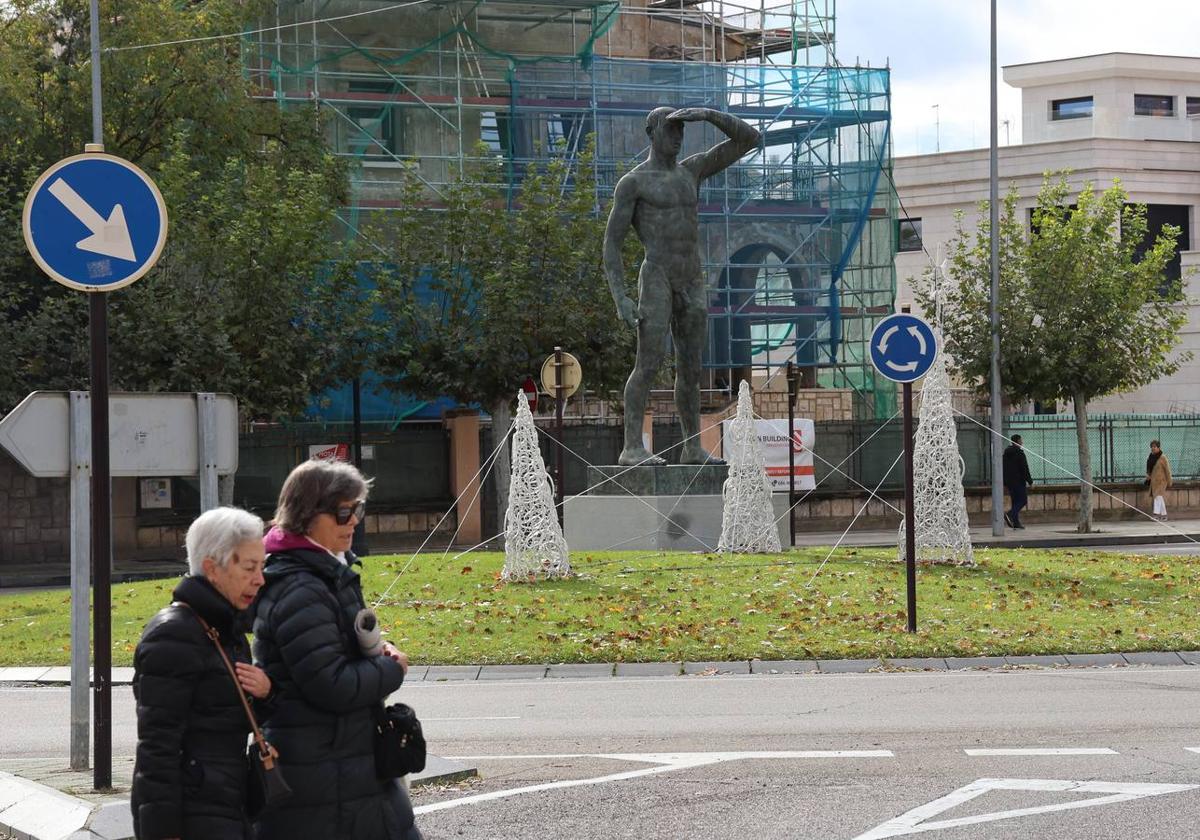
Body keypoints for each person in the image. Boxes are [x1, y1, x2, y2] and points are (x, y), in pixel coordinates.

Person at [251, 459, 421, 840]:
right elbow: (332, 684)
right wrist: (393, 668)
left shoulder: (324, 572)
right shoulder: (301, 588)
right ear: (306, 514)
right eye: (343, 511)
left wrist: (376, 652)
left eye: (358, 509)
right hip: (323, 777)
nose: (354, 521)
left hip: (341, 766)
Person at [603, 105, 760, 466]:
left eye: (681, 131)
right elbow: (612, 243)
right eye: (671, 130)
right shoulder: (634, 183)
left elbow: (750, 139)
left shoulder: (692, 170)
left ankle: (692, 446)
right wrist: (621, 298)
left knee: (691, 367)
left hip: (691, 278)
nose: (677, 137)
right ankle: (632, 447)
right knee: (648, 362)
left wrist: (709, 115)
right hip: (657, 276)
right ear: (652, 132)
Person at [131, 507, 272, 840]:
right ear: (212, 569)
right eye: (250, 567)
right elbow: (157, 747)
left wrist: (266, 692)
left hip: (227, 804)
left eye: (262, 567)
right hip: (195, 816)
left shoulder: (225, 628)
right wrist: (163, 832)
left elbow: (225, 714)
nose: (260, 579)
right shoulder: (174, 635)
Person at [1002, 434, 1034, 529]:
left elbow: (1003, 468)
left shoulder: (1006, 454)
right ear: (1018, 441)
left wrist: (1005, 482)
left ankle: (1016, 523)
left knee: (1015, 501)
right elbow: (1024, 468)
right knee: (1023, 500)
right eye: (1021, 440)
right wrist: (1030, 481)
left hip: (1010, 482)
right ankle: (1010, 514)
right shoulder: (1020, 453)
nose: (1022, 442)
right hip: (1019, 481)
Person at [1146, 439, 1172, 521]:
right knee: (1159, 497)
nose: (1153, 448)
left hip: (1161, 482)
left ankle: (1156, 515)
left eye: (1155, 447)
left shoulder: (1163, 457)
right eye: (1152, 447)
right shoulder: (1150, 457)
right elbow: (1149, 469)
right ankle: (1164, 515)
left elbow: (1167, 470)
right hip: (1153, 482)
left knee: (1157, 497)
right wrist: (1148, 475)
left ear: (1158, 447)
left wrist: (1169, 481)